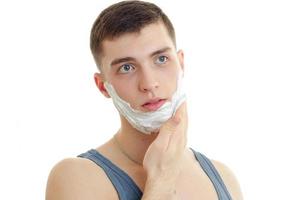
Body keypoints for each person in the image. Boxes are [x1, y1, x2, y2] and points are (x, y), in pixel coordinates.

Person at [46, 1, 243, 199]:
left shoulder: (224, 177)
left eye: (161, 59)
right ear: (102, 86)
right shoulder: (76, 178)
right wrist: (161, 181)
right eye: (127, 68)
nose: (149, 83)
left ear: (181, 63)